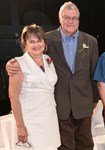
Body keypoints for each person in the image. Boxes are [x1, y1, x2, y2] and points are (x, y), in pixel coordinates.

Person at [7, 2, 99, 150]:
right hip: (59, 103)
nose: (70, 21)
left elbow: (94, 72)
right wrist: (11, 64)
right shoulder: (47, 39)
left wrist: (95, 98)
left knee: (86, 144)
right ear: (59, 18)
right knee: (64, 145)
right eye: (66, 17)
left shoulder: (90, 41)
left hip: (83, 101)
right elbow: (31, 57)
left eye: (74, 18)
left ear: (78, 20)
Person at [8, 24, 60, 149]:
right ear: (25, 44)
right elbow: (13, 96)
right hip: (30, 120)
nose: (36, 45)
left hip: (49, 118)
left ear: (44, 42)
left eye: (39, 40)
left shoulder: (48, 59)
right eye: (31, 42)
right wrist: (20, 126)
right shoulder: (17, 63)